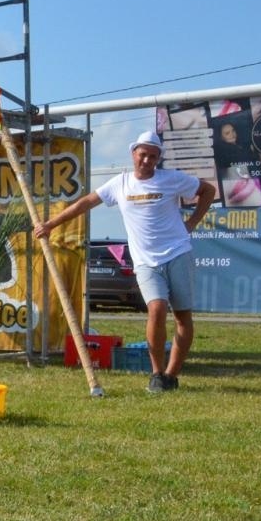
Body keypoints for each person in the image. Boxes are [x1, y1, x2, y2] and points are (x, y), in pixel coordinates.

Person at [34, 130, 216, 393]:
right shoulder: (119, 184)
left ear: (158, 159)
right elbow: (86, 202)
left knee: (182, 316)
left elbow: (207, 190)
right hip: (145, 261)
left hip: (178, 252)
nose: (147, 161)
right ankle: (156, 373)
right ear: (134, 154)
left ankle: (171, 375)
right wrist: (50, 224)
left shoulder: (172, 180)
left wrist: (192, 222)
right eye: (143, 155)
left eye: (153, 157)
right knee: (156, 309)